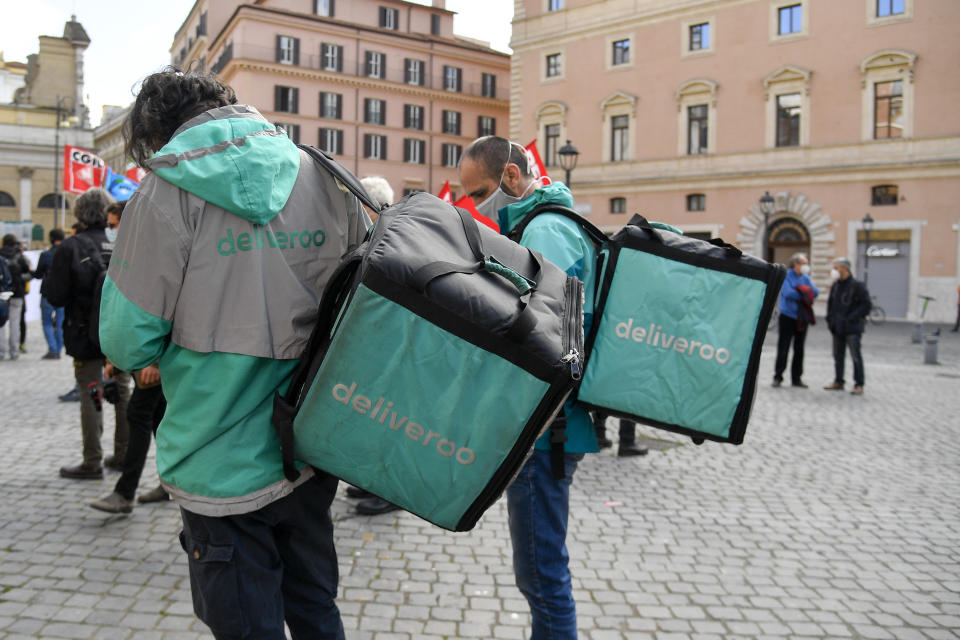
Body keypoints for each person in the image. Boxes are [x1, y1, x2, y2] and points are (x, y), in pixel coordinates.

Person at [99, 69, 368, 638]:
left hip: (217, 455)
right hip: (309, 444)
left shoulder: (163, 191)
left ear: (156, 130)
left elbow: (126, 341)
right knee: (317, 610)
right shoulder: (323, 174)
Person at [459, 135, 598, 639]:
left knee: (542, 577)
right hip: (548, 426)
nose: (473, 205)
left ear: (512, 178)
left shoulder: (546, 232)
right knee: (541, 572)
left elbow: (539, 335)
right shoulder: (543, 225)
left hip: (547, 428)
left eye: (478, 193)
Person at [46, 187, 131, 478]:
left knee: (93, 392)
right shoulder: (120, 241)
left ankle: (92, 461)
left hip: (84, 334)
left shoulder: (71, 247)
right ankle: (123, 454)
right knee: (121, 393)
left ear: (80, 213)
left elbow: (55, 295)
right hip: (119, 334)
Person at [824, 258, 870, 395]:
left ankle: (859, 384)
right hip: (837, 327)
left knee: (855, 356)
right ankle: (838, 381)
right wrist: (830, 320)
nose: (834, 271)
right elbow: (830, 305)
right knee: (838, 356)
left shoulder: (857, 286)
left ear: (845, 269)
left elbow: (866, 306)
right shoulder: (836, 286)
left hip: (852, 328)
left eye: (836, 268)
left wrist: (852, 318)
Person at [772, 252, 819, 388]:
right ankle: (778, 376)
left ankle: (796, 378)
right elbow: (788, 293)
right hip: (787, 316)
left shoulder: (805, 277)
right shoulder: (787, 275)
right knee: (783, 347)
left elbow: (815, 292)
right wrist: (805, 293)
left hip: (801, 317)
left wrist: (802, 291)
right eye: (804, 263)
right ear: (796, 264)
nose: (806, 266)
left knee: (799, 349)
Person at [33, 228, 67, 359]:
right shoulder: (67, 253)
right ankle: (58, 349)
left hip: (47, 291)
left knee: (47, 322)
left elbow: (37, 274)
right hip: (63, 292)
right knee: (60, 323)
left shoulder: (46, 254)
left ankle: (52, 349)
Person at [0, 234, 31, 360]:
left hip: (2, 293)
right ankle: (14, 350)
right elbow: (29, 273)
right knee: (15, 322)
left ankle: (1, 351)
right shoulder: (19, 257)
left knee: (0, 324)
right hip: (17, 292)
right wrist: (19, 280)